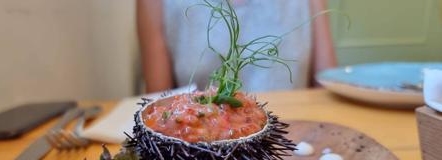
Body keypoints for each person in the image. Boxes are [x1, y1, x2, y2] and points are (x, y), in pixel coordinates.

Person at [137, 0, 337, 93]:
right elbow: (159, 103)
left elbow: (327, 90)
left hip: (296, 145)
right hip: (203, 153)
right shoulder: (156, 4)